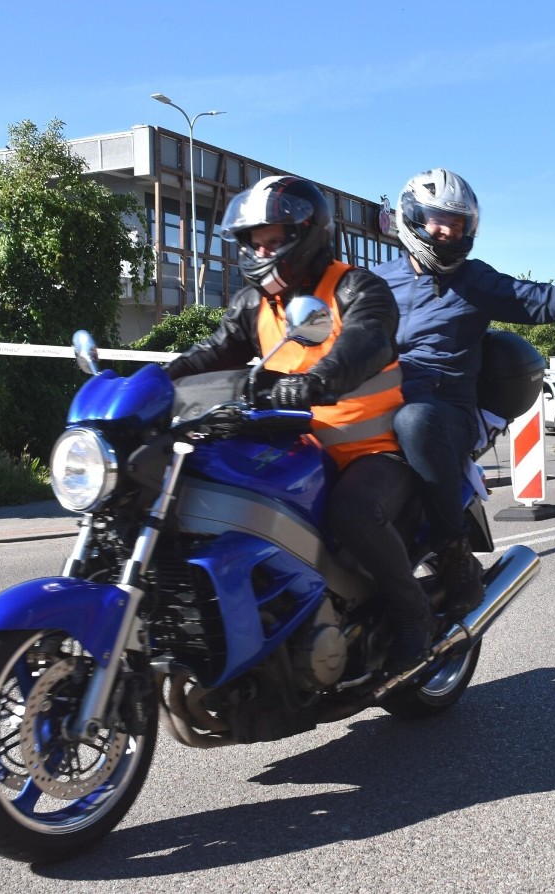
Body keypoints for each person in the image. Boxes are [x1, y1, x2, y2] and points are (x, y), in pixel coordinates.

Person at [166, 174, 433, 671]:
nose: (262, 252)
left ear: (307, 234)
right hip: (294, 446)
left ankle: (412, 612)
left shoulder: (356, 287)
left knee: (353, 512)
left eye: (274, 241)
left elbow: (368, 340)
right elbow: (211, 355)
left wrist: (318, 379)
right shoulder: (254, 304)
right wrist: (150, 386)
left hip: (369, 450)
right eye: (255, 242)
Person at [373, 169, 555, 613]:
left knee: (415, 419)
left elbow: (548, 303)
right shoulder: (377, 281)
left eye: (458, 223)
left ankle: (454, 553)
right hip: (377, 401)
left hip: (443, 411)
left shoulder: (475, 280)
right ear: (411, 218)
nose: (448, 231)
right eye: (437, 220)